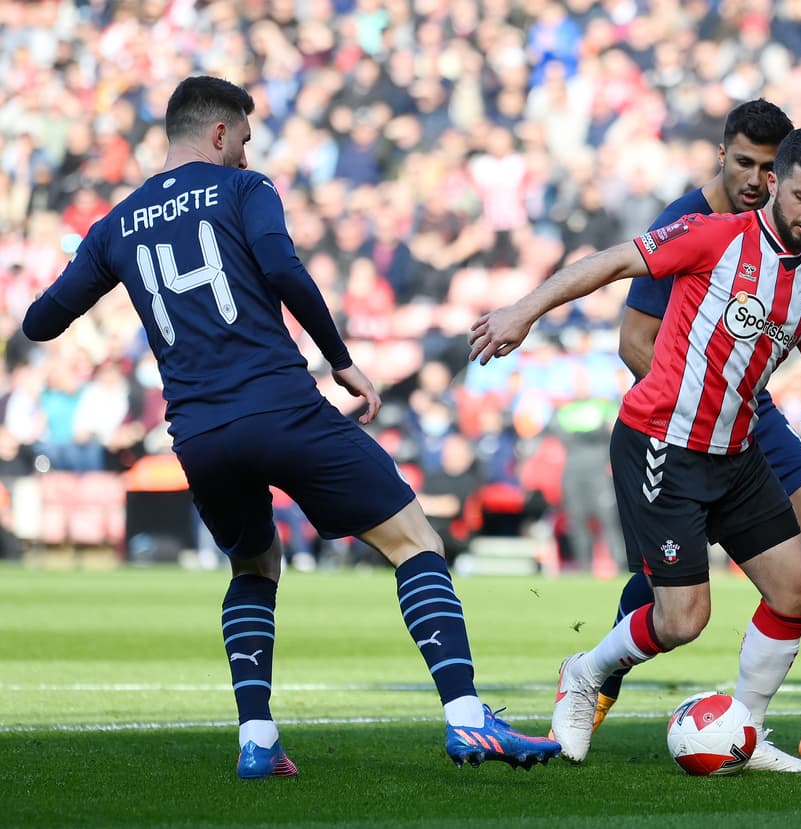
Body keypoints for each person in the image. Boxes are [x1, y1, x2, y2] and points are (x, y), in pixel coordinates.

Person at [21, 76, 560, 778]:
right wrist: (341, 361)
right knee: (413, 538)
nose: (247, 154)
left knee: (254, 562)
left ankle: (257, 738)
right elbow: (282, 266)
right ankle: (466, 719)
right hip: (279, 405)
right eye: (243, 139)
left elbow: (40, 322)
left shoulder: (115, 223)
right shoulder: (245, 191)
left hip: (199, 433)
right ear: (219, 134)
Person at [470, 128, 801, 770]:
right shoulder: (715, 235)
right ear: (772, 185)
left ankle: (746, 734)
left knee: (797, 589)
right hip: (662, 444)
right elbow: (615, 262)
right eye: (800, 197)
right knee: (682, 620)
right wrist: (525, 310)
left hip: (736, 456)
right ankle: (585, 672)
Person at [606, 98, 801, 762]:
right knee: (676, 589)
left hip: (752, 411)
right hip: (687, 421)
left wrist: (786, 382)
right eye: (744, 163)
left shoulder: (795, 243)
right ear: (722, 156)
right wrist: (707, 402)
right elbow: (634, 341)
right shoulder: (689, 224)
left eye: (766, 167)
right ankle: (600, 674)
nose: (755, 180)